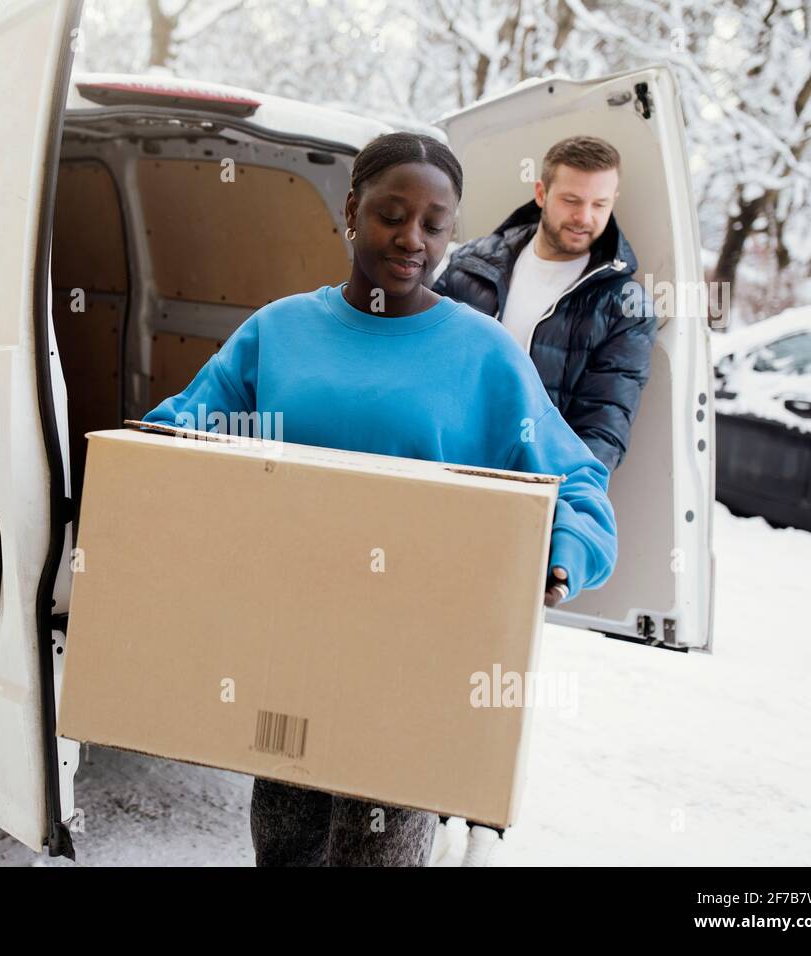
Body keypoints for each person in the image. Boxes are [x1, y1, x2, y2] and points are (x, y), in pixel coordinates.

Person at [142, 131, 617, 867]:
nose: (412, 239)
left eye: (435, 224)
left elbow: (577, 481)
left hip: (413, 665)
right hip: (288, 647)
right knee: (286, 847)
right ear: (352, 210)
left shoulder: (484, 354)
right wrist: (141, 480)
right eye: (392, 214)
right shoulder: (280, 332)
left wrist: (563, 556)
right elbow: (180, 435)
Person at [433, 136, 656, 473]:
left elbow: (604, 427)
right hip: (440, 461)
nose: (584, 217)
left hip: (533, 484)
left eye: (600, 204)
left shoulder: (626, 308)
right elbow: (421, 358)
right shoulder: (471, 264)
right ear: (541, 193)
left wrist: (558, 496)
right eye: (571, 200)